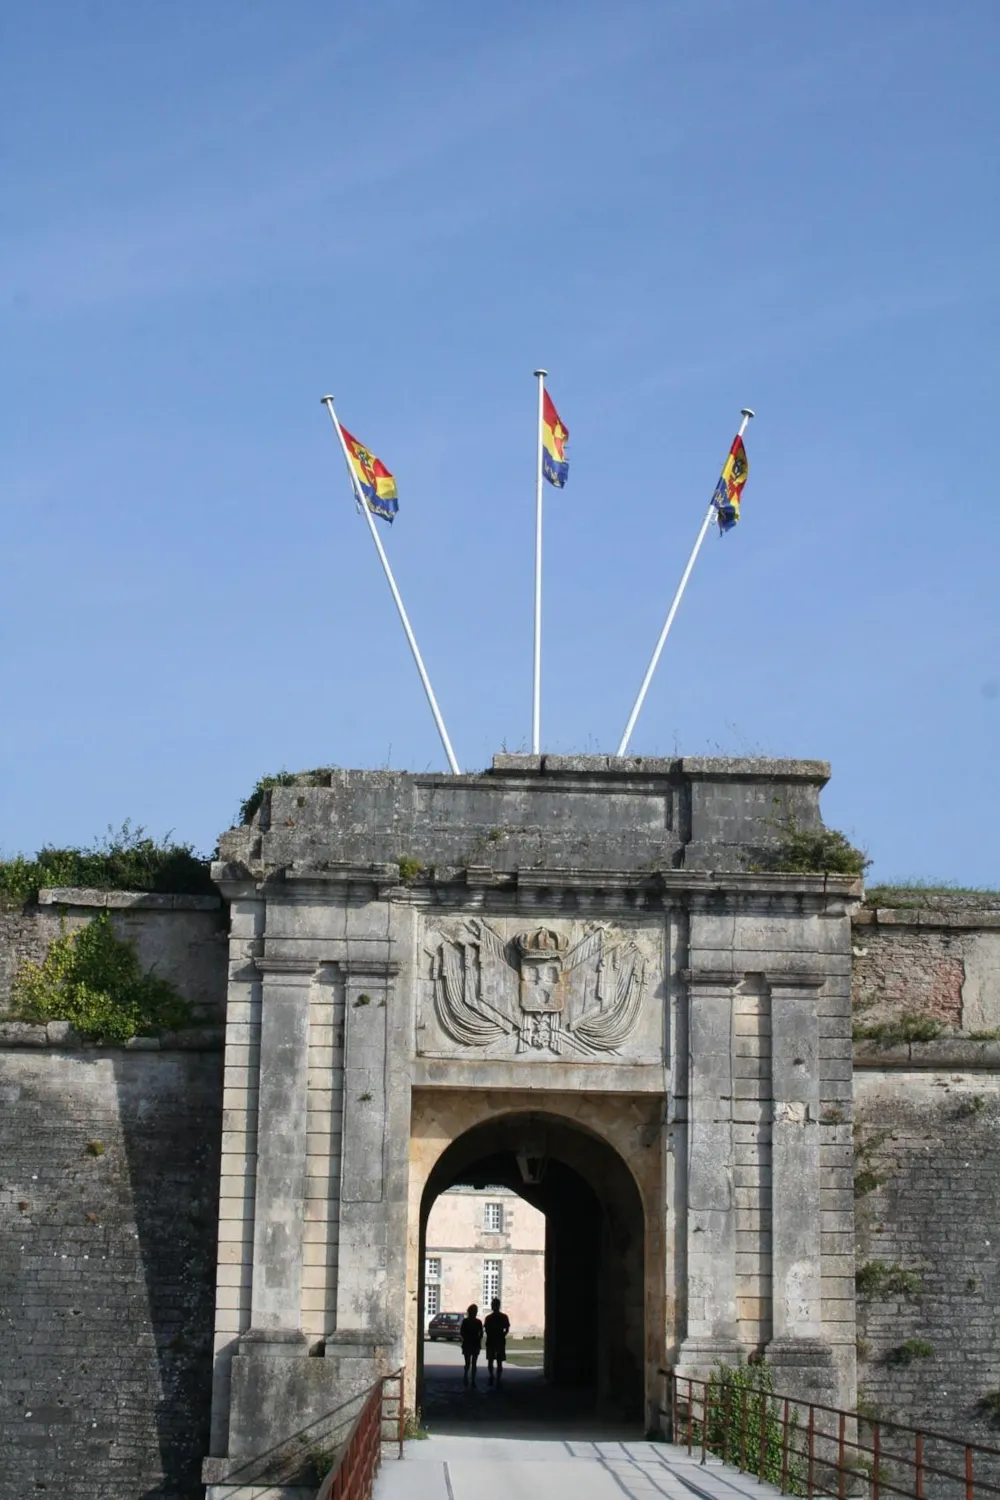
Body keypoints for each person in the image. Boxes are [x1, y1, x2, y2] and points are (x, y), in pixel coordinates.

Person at [483, 1297, 510, 1387]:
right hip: (499, 1340)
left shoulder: (489, 1318)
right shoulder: (503, 1317)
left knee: (492, 1360)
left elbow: (486, 1329)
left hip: (492, 1340)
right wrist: (503, 1335)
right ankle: (497, 1378)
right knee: (498, 1361)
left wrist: (493, 1335)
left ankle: (493, 1376)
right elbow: (507, 1329)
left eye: (493, 1305)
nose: (492, 1306)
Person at [460, 1303, 483, 1387]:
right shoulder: (476, 1322)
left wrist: (467, 1338)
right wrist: (478, 1339)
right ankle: (470, 1378)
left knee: (470, 1362)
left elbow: (462, 1332)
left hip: (470, 1343)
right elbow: (481, 1333)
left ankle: (468, 1378)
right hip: (472, 1343)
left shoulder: (467, 1321)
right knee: (471, 1362)